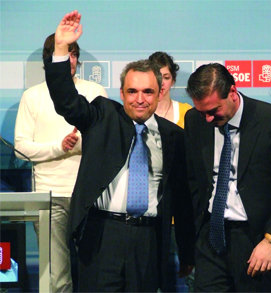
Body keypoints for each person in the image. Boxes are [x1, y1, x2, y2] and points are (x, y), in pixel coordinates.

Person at [44, 10, 195, 292]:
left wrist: (187, 252)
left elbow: (182, 199)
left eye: (147, 92)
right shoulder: (103, 115)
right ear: (122, 93)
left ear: (160, 91)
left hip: (149, 240)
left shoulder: (174, 135)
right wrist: (62, 48)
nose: (140, 99)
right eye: (132, 92)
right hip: (102, 237)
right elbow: (66, 101)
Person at [184, 63, 271, 292]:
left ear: (232, 92)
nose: (208, 119)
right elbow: (194, 180)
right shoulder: (194, 120)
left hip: (257, 240)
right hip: (211, 236)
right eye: (203, 112)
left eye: (214, 111)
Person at [14, 33, 107, 292]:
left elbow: (107, 141)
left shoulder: (94, 91)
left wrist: (79, 143)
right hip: (49, 197)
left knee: (95, 273)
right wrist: (59, 147)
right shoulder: (32, 96)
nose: (70, 60)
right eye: (64, 55)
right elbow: (21, 149)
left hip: (90, 195)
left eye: (73, 54)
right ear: (49, 60)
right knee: (57, 278)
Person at [148, 51, 195, 291]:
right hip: (152, 212)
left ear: (173, 80)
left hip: (185, 210)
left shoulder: (189, 114)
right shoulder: (140, 116)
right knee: (153, 277)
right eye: (155, 76)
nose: (161, 82)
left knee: (194, 275)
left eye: (165, 76)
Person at [148, 51, 192, 128]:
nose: (161, 82)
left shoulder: (186, 112)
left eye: (166, 78)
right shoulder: (140, 110)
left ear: (173, 81)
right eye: (157, 77)